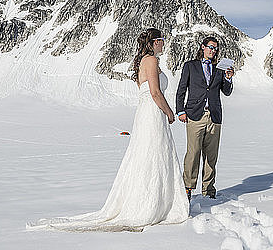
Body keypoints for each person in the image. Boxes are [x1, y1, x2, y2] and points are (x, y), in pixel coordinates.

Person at [27, 28, 188, 232]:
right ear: (155, 42)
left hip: (145, 113)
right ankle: (152, 204)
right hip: (154, 113)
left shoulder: (142, 62)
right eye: (162, 40)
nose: (164, 44)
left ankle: (149, 200)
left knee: (146, 154)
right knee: (154, 154)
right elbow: (155, 93)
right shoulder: (152, 61)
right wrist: (170, 113)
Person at [176, 36, 234, 200]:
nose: (212, 50)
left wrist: (228, 78)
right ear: (203, 47)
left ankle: (208, 190)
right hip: (195, 115)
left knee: (211, 156)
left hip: (214, 116)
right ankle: (188, 188)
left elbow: (226, 91)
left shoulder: (219, 68)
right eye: (210, 47)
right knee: (193, 153)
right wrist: (180, 111)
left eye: (215, 48)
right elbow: (181, 90)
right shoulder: (190, 66)